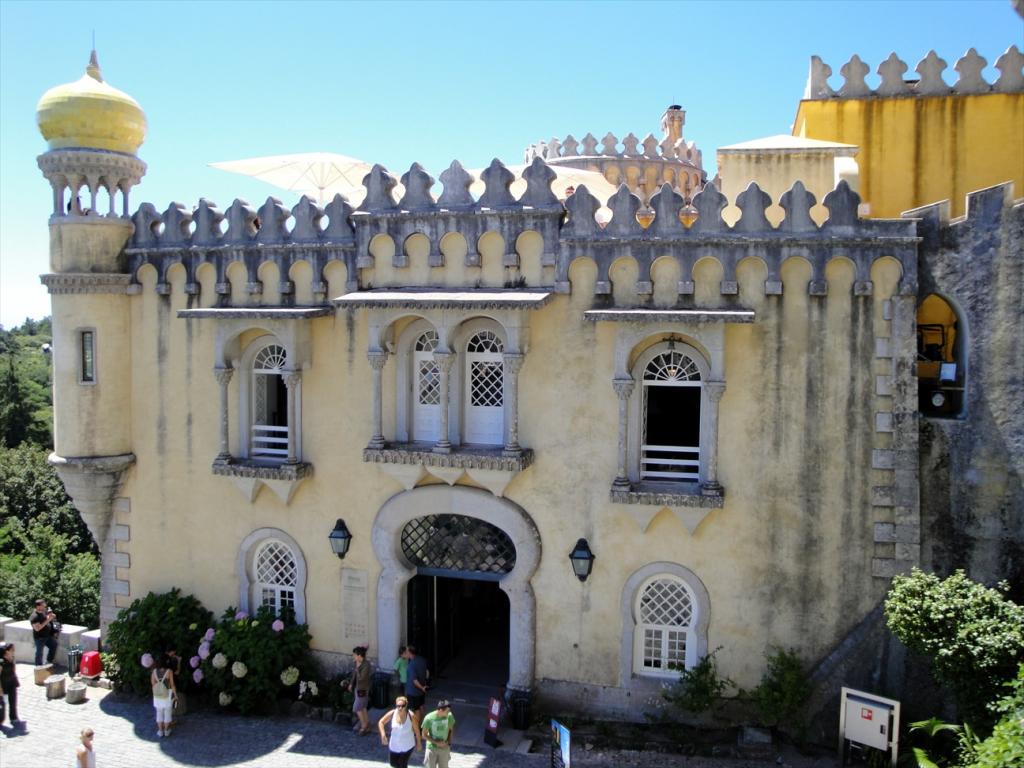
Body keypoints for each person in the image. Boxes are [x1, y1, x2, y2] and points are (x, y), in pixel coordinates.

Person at [377, 695, 421, 768]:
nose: (400, 708)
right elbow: (381, 722)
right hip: (394, 745)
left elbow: (417, 731)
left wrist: (419, 743)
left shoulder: (411, 715)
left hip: (407, 745)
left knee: (402, 764)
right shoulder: (392, 713)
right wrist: (383, 734)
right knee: (393, 764)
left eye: (402, 706)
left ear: (406, 705)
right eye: (398, 706)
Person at [342, 645, 372, 735]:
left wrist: (358, 668)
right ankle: (366, 724)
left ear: (359, 656)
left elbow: (362, 678)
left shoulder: (366, 665)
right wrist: (351, 684)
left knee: (357, 707)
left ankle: (364, 726)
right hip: (358, 688)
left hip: (363, 689)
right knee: (362, 707)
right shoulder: (358, 663)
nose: (353, 656)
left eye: (354, 655)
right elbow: (354, 675)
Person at [420, 699, 456, 768]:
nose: (449, 713)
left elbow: (451, 730)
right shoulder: (429, 718)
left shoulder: (449, 716)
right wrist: (437, 742)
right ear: (440, 710)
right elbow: (424, 735)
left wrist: (449, 744)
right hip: (431, 748)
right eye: (447, 711)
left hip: (444, 747)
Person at [151, 653, 177, 738]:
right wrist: (175, 695)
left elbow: (153, 684)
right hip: (167, 695)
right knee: (167, 713)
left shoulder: (154, 672)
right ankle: (166, 730)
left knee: (159, 713)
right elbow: (172, 684)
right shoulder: (169, 671)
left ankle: (160, 731)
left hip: (157, 695)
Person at [403, 645, 429, 723]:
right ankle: (425, 723)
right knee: (421, 706)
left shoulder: (411, 665)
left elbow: (414, 681)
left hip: (413, 692)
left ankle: (417, 726)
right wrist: (424, 684)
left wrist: (421, 687)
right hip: (421, 690)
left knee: (415, 709)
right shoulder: (422, 660)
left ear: (410, 653)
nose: (405, 653)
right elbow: (427, 672)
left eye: (406, 651)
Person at [29, 598, 59, 666]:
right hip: (40, 637)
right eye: (43, 605)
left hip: (47, 635)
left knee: (54, 645)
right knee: (39, 653)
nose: (45, 606)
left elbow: (46, 618)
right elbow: (37, 629)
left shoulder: (43, 611)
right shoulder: (34, 617)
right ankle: (38, 666)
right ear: (38, 606)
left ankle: (49, 661)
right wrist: (49, 619)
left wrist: (51, 616)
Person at [0, 642, 21, 726]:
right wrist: (0, 689)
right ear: (7, 651)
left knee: (13, 701)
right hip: (3, 684)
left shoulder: (13, 658)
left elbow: (14, 670)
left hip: (12, 683)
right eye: (12, 649)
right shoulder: (1, 661)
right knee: (2, 704)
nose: (14, 650)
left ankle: (13, 718)